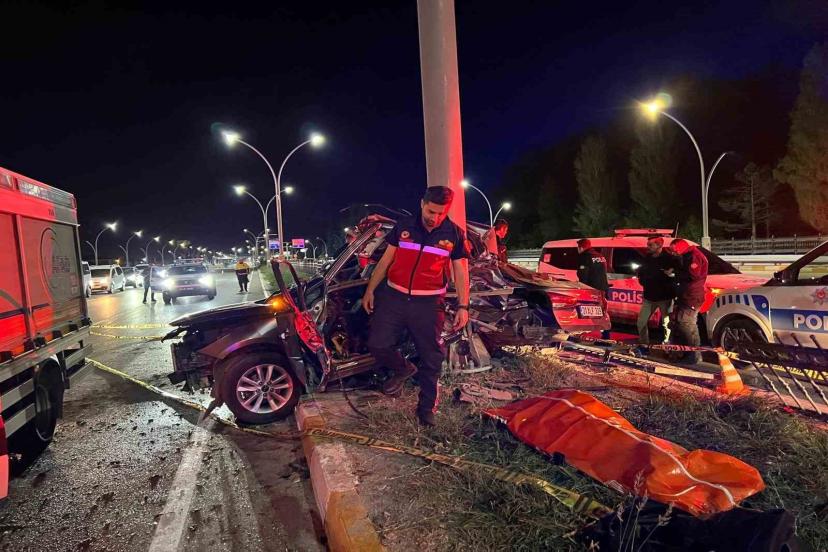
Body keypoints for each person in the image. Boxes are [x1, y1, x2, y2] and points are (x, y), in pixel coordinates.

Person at [363, 186, 470, 427]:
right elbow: (385, 260)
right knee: (378, 344)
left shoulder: (453, 233)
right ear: (422, 203)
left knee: (432, 357)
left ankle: (426, 409)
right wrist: (370, 290)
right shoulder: (404, 226)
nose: (436, 218)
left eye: (442, 213)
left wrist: (464, 305)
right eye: (432, 211)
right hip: (394, 297)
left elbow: (461, 271)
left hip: (429, 303)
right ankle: (404, 368)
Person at [635, 236, 678, 350]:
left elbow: (677, 274)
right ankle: (644, 344)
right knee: (641, 322)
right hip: (649, 297)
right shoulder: (647, 258)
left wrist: (670, 276)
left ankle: (667, 345)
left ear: (659, 246)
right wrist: (642, 280)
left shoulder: (669, 259)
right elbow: (641, 272)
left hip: (665, 298)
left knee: (666, 324)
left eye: (650, 245)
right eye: (648, 244)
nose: (647, 247)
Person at [669, 239, 708, 364]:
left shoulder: (693, 257)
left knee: (687, 325)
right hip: (686, 295)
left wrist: (675, 274)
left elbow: (693, 276)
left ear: (681, 248)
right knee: (680, 324)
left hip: (691, 296)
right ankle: (685, 353)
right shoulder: (687, 256)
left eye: (674, 250)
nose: (673, 253)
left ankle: (693, 356)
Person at [576, 238, 611, 339]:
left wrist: (582, 289)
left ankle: (581, 333)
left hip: (591, 289)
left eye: (578, 248)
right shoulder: (600, 256)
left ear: (581, 247)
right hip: (602, 289)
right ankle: (606, 334)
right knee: (603, 312)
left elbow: (583, 275)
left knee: (585, 311)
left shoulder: (584, 257)